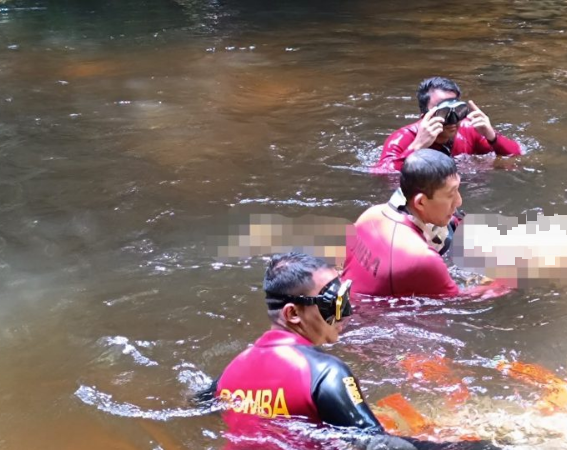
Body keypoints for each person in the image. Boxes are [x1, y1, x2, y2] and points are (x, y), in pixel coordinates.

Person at [202, 252, 492, 449]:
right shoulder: (325, 374)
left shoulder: (229, 375)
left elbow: (201, 405)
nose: (346, 314)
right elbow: (377, 444)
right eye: (333, 303)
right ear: (292, 314)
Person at [345, 149, 511, 298]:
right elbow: (460, 302)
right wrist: (503, 280)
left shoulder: (372, 214)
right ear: (421, 202)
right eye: (451, 194)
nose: (459, 201)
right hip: (374, 320)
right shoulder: (423, 259)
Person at [375, 77, 523, 172]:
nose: (453, 119)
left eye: (457, 110)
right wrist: (417, 147)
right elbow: (383, 175)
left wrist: (492, 136)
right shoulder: (404, 138)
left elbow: (515, 156)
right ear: (424, 116)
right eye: (444, 112)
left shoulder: (469, 129)